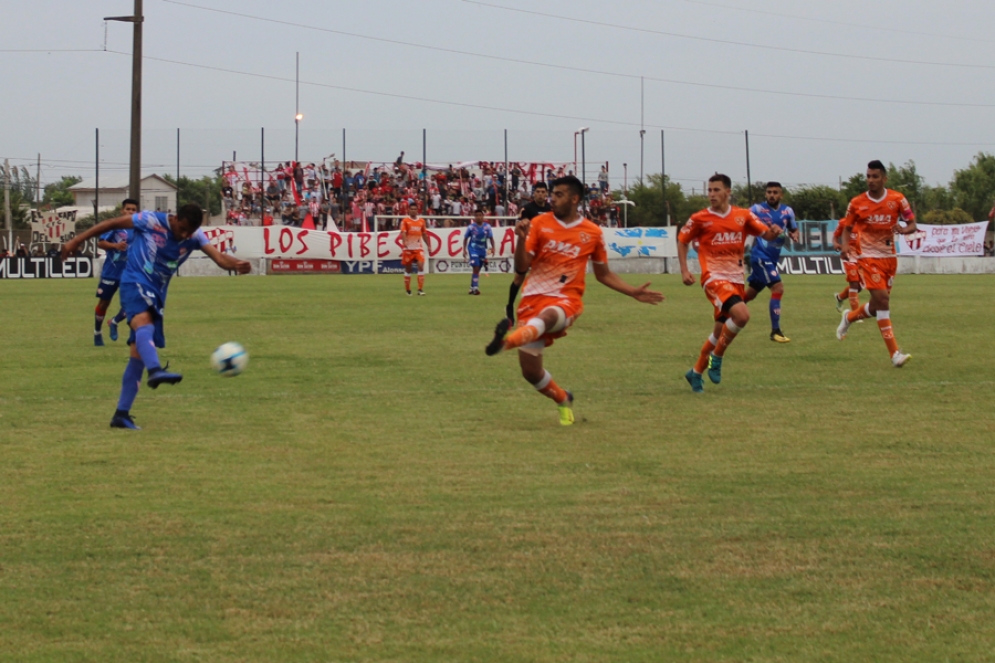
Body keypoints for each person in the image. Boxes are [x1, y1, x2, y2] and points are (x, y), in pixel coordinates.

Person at [484, 176, 664, 426]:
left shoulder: (592, 232)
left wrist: (632, 291)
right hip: (532, 299)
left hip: (567, 300)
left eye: (558, 195)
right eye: (552, 194)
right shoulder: (539, 223)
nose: (552, 199)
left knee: (548, 316)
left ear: (574, 198)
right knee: (531, 373)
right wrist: (521, 238)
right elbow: (522, 266)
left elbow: (604, 274)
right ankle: (562, 398)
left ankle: (506, 342)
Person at [61, 204, 251, 430]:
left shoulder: (194, 235)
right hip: (134, 282)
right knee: (144, 323)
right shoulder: (149, 220)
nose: (184, 235)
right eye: (182, 229)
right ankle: (155, 370)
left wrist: (237, 264)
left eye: (189, 232)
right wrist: (76, 240)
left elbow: (219, 259)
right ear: (175, 218)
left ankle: (121, 414)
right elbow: (110, 224)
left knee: (137, 354)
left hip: (157, 292)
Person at [679, 174, 782, 393]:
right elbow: (682, 240)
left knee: (719, 332)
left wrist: (773, 233)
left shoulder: (742, 216)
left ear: (728, 192)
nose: (711, 194)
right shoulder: (700, 218)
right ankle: (717, 357)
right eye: (709, 190)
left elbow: (766, 234)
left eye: (716, 190)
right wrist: (684, 270)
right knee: (742, 315)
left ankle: (696, 372)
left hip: (736, 279)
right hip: (713, 278)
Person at [836, 160, 918, 367]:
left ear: (884, 178)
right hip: (867, 258)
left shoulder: (897, 199)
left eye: (875, 176)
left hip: (889, 258)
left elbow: (912, 223)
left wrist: (904, 230)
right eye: (868, 176)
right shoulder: (856, 203)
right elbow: (847, 228)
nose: (870, 180)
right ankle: (895, 354)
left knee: (877, 305)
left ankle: (849, 318)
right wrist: (845, 246)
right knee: (882, 301)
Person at [744, 182, 799, 343]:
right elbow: (741, 219)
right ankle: (775, 331)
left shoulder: (787, 212)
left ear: (781, 195)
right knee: (778, 288)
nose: (772, 195)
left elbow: (793, 229)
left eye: (775, 192)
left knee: (751, 293)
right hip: (760, 256)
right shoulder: (757, 210)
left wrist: (795, 234)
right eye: (769, 192)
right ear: (765, 194)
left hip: (772, 259)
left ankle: (725, 310)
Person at [94, 198, 140, 346]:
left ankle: (114, 322)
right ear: (122, 210)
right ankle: (97, 333)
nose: (130, 212)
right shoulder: (115, 226)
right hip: (111, 271)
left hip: (130, 272)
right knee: (103, 303)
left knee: (132, 303)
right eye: (128, 209)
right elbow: (100, 243)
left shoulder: (139, 228)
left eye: (133, 209)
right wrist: (115, 245)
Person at [505, 182, 552, 322]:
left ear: (546, 194)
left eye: (543, 192)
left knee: (545, 279)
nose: (541, 194)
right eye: (538, 191)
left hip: (543, 250)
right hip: (527, 248)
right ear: (534, 193)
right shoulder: (527, 209)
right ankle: (510, 305)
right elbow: (519, 228)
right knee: (519, 279)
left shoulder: (551, 210)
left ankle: (542, 309)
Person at [832, 216, 864, 314]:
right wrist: (836, 243)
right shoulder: (843, 222)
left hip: (862, 256)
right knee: (854, 283)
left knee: (859, 287)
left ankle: (840, 297)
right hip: (848, 254)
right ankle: (855, 313)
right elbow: (835, 236)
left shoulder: (866, 222)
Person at [463, 209, 495, 295]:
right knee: (476, 267)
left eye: (480, 215)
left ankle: (471, 287)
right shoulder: (471, 227)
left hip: (482, 250)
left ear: (483, 216)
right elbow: (465, 238)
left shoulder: (487, 227)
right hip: (473, 249)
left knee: (477, 269)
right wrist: (464, 250)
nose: (478, 217)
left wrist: (493, 248)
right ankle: (475, 288)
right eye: (476, 215)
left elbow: (491, 238)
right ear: (474, 217)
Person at [399, 209, 428, 296]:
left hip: (418, 248)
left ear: (417, 210)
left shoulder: (422, 221)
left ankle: (420, 289)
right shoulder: (405, 221)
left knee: (421, 266)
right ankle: (408, 290)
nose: (413, 210)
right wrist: (405, 242)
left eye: (415, 209)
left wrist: (428, 245)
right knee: (408, 269)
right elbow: (403, 232)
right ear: (409, 211)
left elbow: (424, 233)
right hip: (408, 249)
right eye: (411, 209)